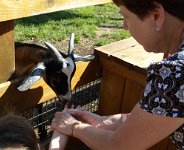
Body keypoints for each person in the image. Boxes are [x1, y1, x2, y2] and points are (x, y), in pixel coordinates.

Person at [51, 0, 184, 149]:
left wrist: (73, 127)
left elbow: (119, 146)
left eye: (126, 16)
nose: (124, 26)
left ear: (156, 16)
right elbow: (156, 117)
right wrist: (102, 122)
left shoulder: (175, 72)